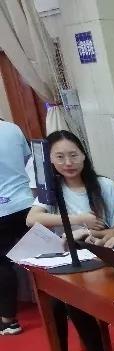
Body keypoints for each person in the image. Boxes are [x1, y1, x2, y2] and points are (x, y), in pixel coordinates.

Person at [26, 130, 114, 351]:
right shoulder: (51, 190)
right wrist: (77, 221)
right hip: (68, 258)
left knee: (73, 298)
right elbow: (32, 219)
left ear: (83, 155)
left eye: (73, 155)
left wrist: (92, 234)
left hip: (100, 256)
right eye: (60, 157)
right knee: (54, 301)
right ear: (50, 160)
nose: (68, 163)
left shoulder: (103, 185)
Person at [0, 118, 35, 336]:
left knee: (2, 264)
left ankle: (8, 320)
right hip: (26, 203)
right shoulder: (12, 129)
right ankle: (66, 305)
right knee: (42, 255)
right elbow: (26, 160)